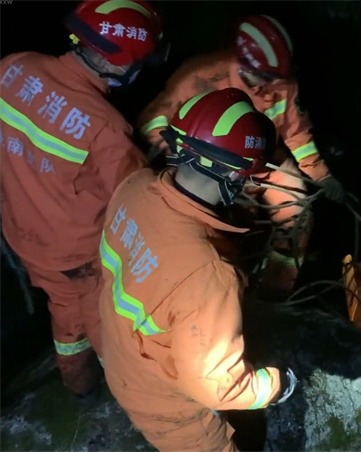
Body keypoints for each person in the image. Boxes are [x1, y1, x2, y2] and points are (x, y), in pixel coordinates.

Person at [99, 88, 297, 451]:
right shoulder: (207, 274)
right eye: (247, 175)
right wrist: (275, 385)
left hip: (121, 354)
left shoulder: (135, 187)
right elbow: (218, 386)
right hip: (167, 404)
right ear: (234, 174)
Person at [0, 0, 165, 404]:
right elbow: (137, 202)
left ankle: (81, 387)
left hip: (20, 232)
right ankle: (126, 395)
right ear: (117, 63)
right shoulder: (106, 128)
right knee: (104, 326)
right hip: (78, 257)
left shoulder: (13, 67)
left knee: (65, 309)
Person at [137, 14, 343, 292]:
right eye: (266, 77)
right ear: (245, 64)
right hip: (208, 166)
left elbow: (296, 135)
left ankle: (273, 292)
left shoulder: (282, 82)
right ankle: (209, 285)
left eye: (277, 78)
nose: (272, 87)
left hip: (265, 161)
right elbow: (154, 120)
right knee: (212, 225)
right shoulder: (201, 76)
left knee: (297, 213)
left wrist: (321, 175)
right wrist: (179, 160)